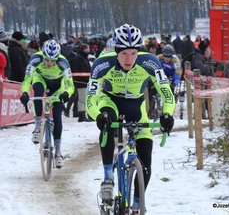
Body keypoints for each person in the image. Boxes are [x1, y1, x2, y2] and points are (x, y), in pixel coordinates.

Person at [85, 24, 175, 213]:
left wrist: (167, 113)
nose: (129, 59)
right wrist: (98, 116)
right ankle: (108, 177)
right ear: (116, 51)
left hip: (136, 107)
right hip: (109, 101)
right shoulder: (103, 63)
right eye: (124, 53)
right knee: (108, 121)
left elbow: (166, 93)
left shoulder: (150, 62)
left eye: (133, 53)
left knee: (146, 163)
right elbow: (90, 99)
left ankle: (136, 206)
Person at [19, 40, 75, 168]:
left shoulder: (63, 62)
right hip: (41, 79)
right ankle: (38, 127)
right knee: (37, 92)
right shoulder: (35, 59)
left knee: (58, 118)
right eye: (46, 60)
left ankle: (58, 152)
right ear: (42, 55)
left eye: (52, 61)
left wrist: (66, 93)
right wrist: (25, 92)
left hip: (57, 86)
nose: (49, 63)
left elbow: (70, 85)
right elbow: (27, 79)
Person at [72, 44, 92, 122]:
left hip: (84, 81)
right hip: (81, 81)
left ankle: (85, 115)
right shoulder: (79, 58)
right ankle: (81, 115)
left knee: (84, 98)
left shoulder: (83, 57)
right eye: (88, 49)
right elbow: (81, 70)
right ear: (84, 49)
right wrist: (88, 78)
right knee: (82, 99)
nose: (89, 51)